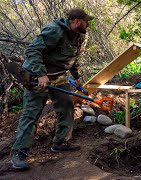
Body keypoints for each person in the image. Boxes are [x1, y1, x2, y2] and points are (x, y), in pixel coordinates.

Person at [11, 8, 94, 170]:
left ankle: (61, 142)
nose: (88, 24)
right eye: (86, 21)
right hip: (37, 77)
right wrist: (41, 74)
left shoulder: (77, 35)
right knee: (31, 114)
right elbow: (32, 50)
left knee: (66, 107)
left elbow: (73, 58)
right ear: (77, 21)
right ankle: (19, 153)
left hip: (58, 76)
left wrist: (76, 79)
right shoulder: (54, 31)